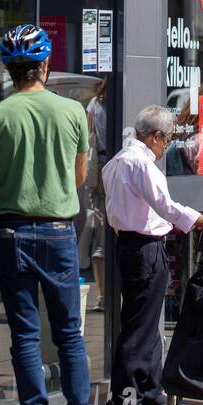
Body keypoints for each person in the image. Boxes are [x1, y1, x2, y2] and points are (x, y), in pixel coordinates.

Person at [0, 24, 95, 405]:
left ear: (8, 69)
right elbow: (78, 179)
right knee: (69, 335)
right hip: (59, 232)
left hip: (11, 231)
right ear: (44, 66)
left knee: (23, 333)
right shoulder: (72, 111)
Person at [101, 106, 203, 405]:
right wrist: (201, 220)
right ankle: (126, 399)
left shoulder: (117, 162)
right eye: (167, 139)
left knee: (145, 324)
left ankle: (150, 393)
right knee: (139, 326)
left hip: (135, 245)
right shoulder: (139, 164)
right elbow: (165, 205)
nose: (167, 146)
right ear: (155, 136)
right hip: (143, 246)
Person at [80, 78, 108, 311]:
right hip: (111, 172)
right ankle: (107, 295)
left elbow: (87, 139)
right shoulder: (98, 105)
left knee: (101, 235)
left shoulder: (94, 105)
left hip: (99, 172)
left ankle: (102, 295)